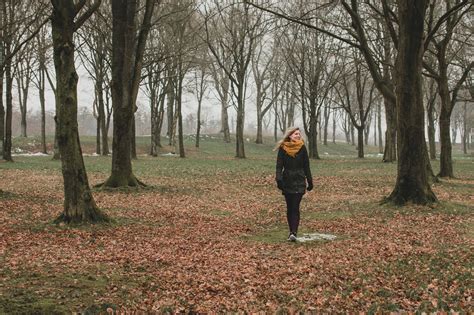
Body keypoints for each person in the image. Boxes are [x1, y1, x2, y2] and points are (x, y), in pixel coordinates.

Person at [275, 127, 313, 242]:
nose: (298, 135)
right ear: (290, 136)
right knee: (289, 207)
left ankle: (293, 232)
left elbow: (306, 166)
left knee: (295, 207)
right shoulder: (283, 148)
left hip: (299, 181)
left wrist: (310, 181)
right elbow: (279, 165)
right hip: (287, 181)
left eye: (299, 134)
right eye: (296, 134)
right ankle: (290, 230)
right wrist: (279, 179)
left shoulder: (302, 148)